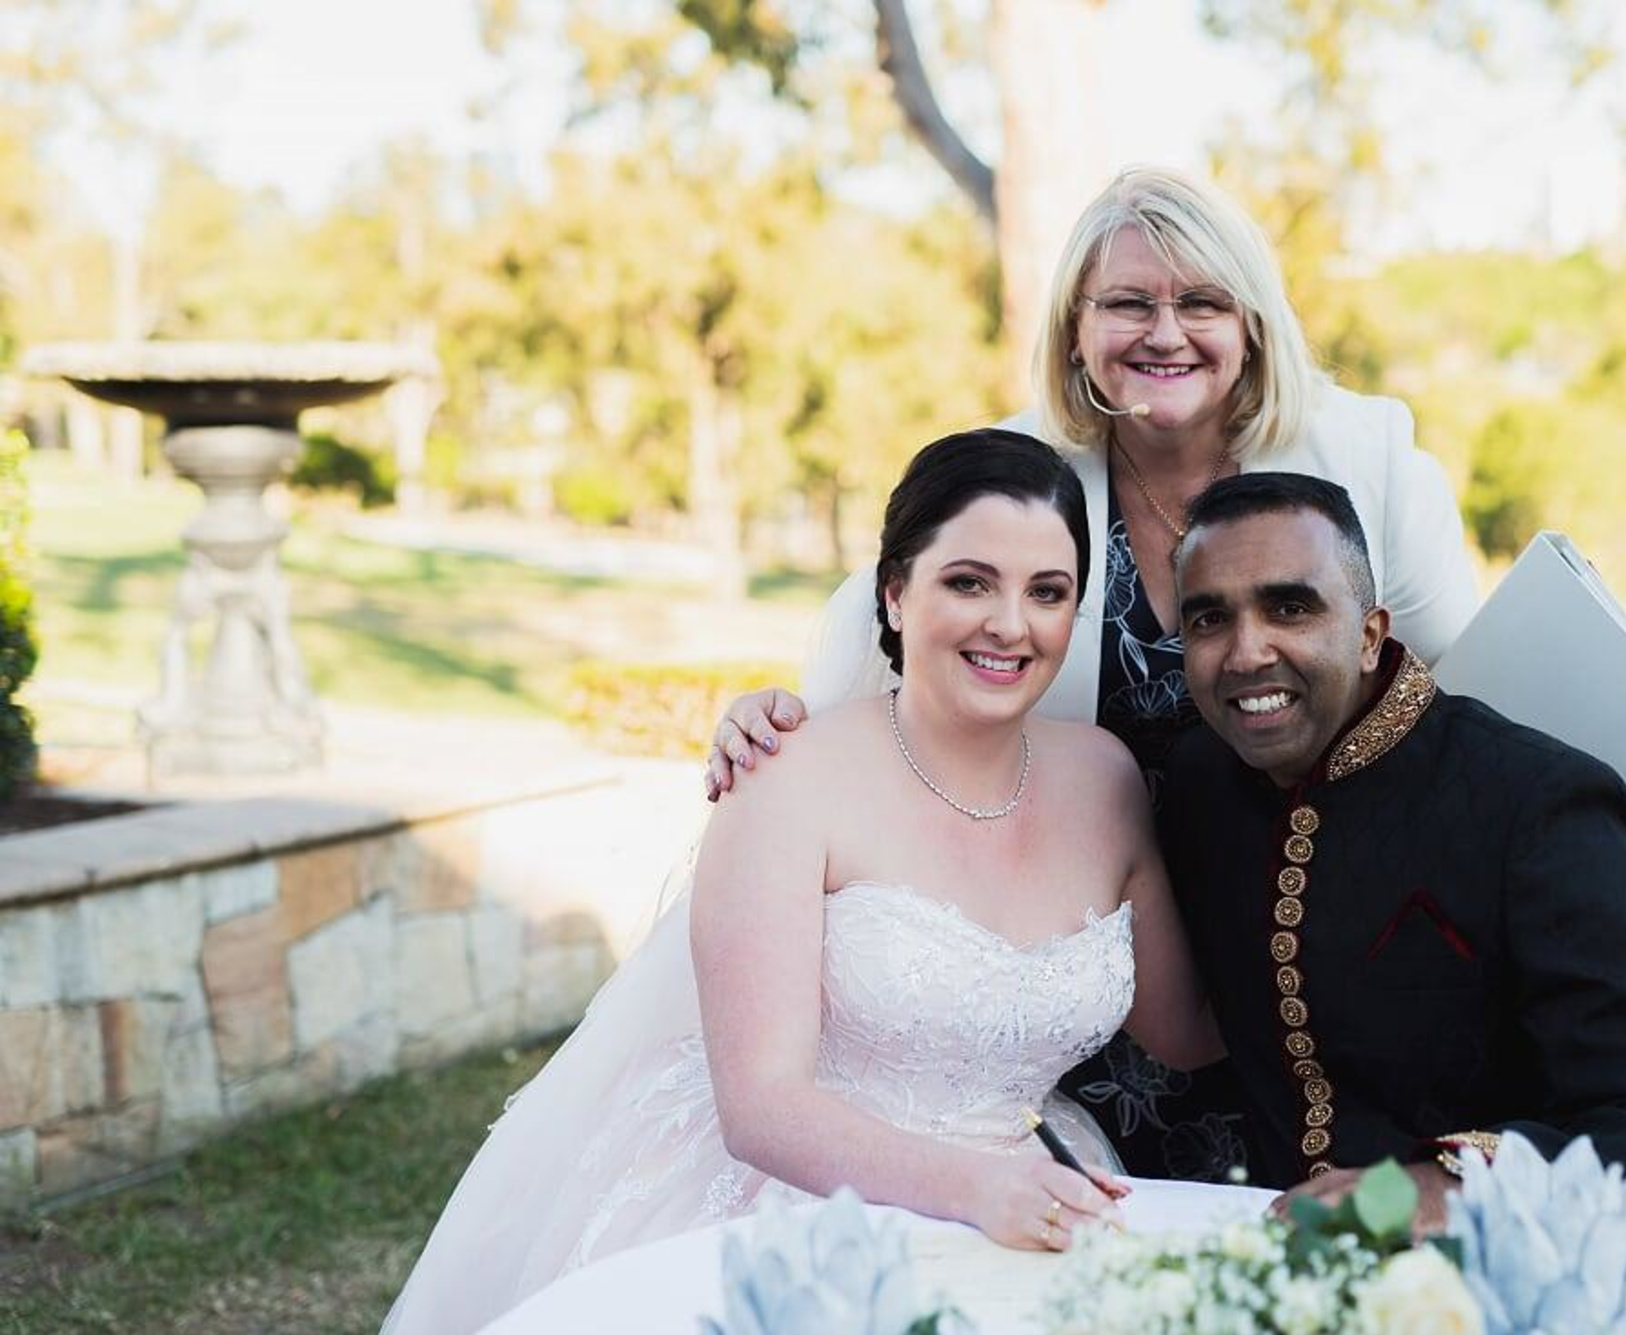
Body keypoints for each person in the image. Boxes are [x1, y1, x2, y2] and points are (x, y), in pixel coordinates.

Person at [705, 165, 1480, 1180]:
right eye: (1126, 303)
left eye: (1199, 301)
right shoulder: (1014, 470)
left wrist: (1580, 913)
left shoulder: (1365, 456)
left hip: (1301, 955)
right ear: (1075, 329)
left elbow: (1475, 701)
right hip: (1072, 977)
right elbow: (882, 655)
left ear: (1249, 322)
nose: (1164, 333)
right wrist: (767, 717)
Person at [381, 430, 1221, 1334]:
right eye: (969, 582)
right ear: (895, 594)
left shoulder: (1105, 777)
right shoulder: (786, 772)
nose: (1010, 624)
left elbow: (1192, 1033)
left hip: (1040, 1198)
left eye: (1046, 592)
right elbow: (762, 1106)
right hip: (795, 1205)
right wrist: (979, 1187)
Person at [1162, 472, 1626, 1333]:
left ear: (1369, 634)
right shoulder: (1200, 785)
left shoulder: (1541, 800)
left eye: (1290, 608)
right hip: (1300, 1293)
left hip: (1545, 1294)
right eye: (1210, 617)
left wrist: (1428, 1187)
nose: (1246, 652)